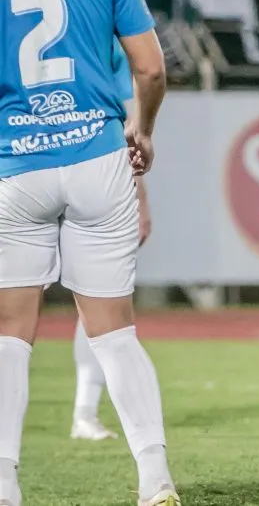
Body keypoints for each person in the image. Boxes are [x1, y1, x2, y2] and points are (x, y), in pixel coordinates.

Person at [0, 0, 178, 506]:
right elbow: (150, 69)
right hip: (97, 156)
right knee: (116, 333)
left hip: (16, 162)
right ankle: (155, 479)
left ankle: (5, 483)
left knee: (10, 337)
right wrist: (143, 130)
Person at [70, 43, 153, 443]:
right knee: (98, 299)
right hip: (89, 176)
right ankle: (86, 414)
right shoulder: (100, 40)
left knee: (15, 311)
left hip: (20, 171)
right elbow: (129, 114)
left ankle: (84, 412)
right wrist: (139, 194)